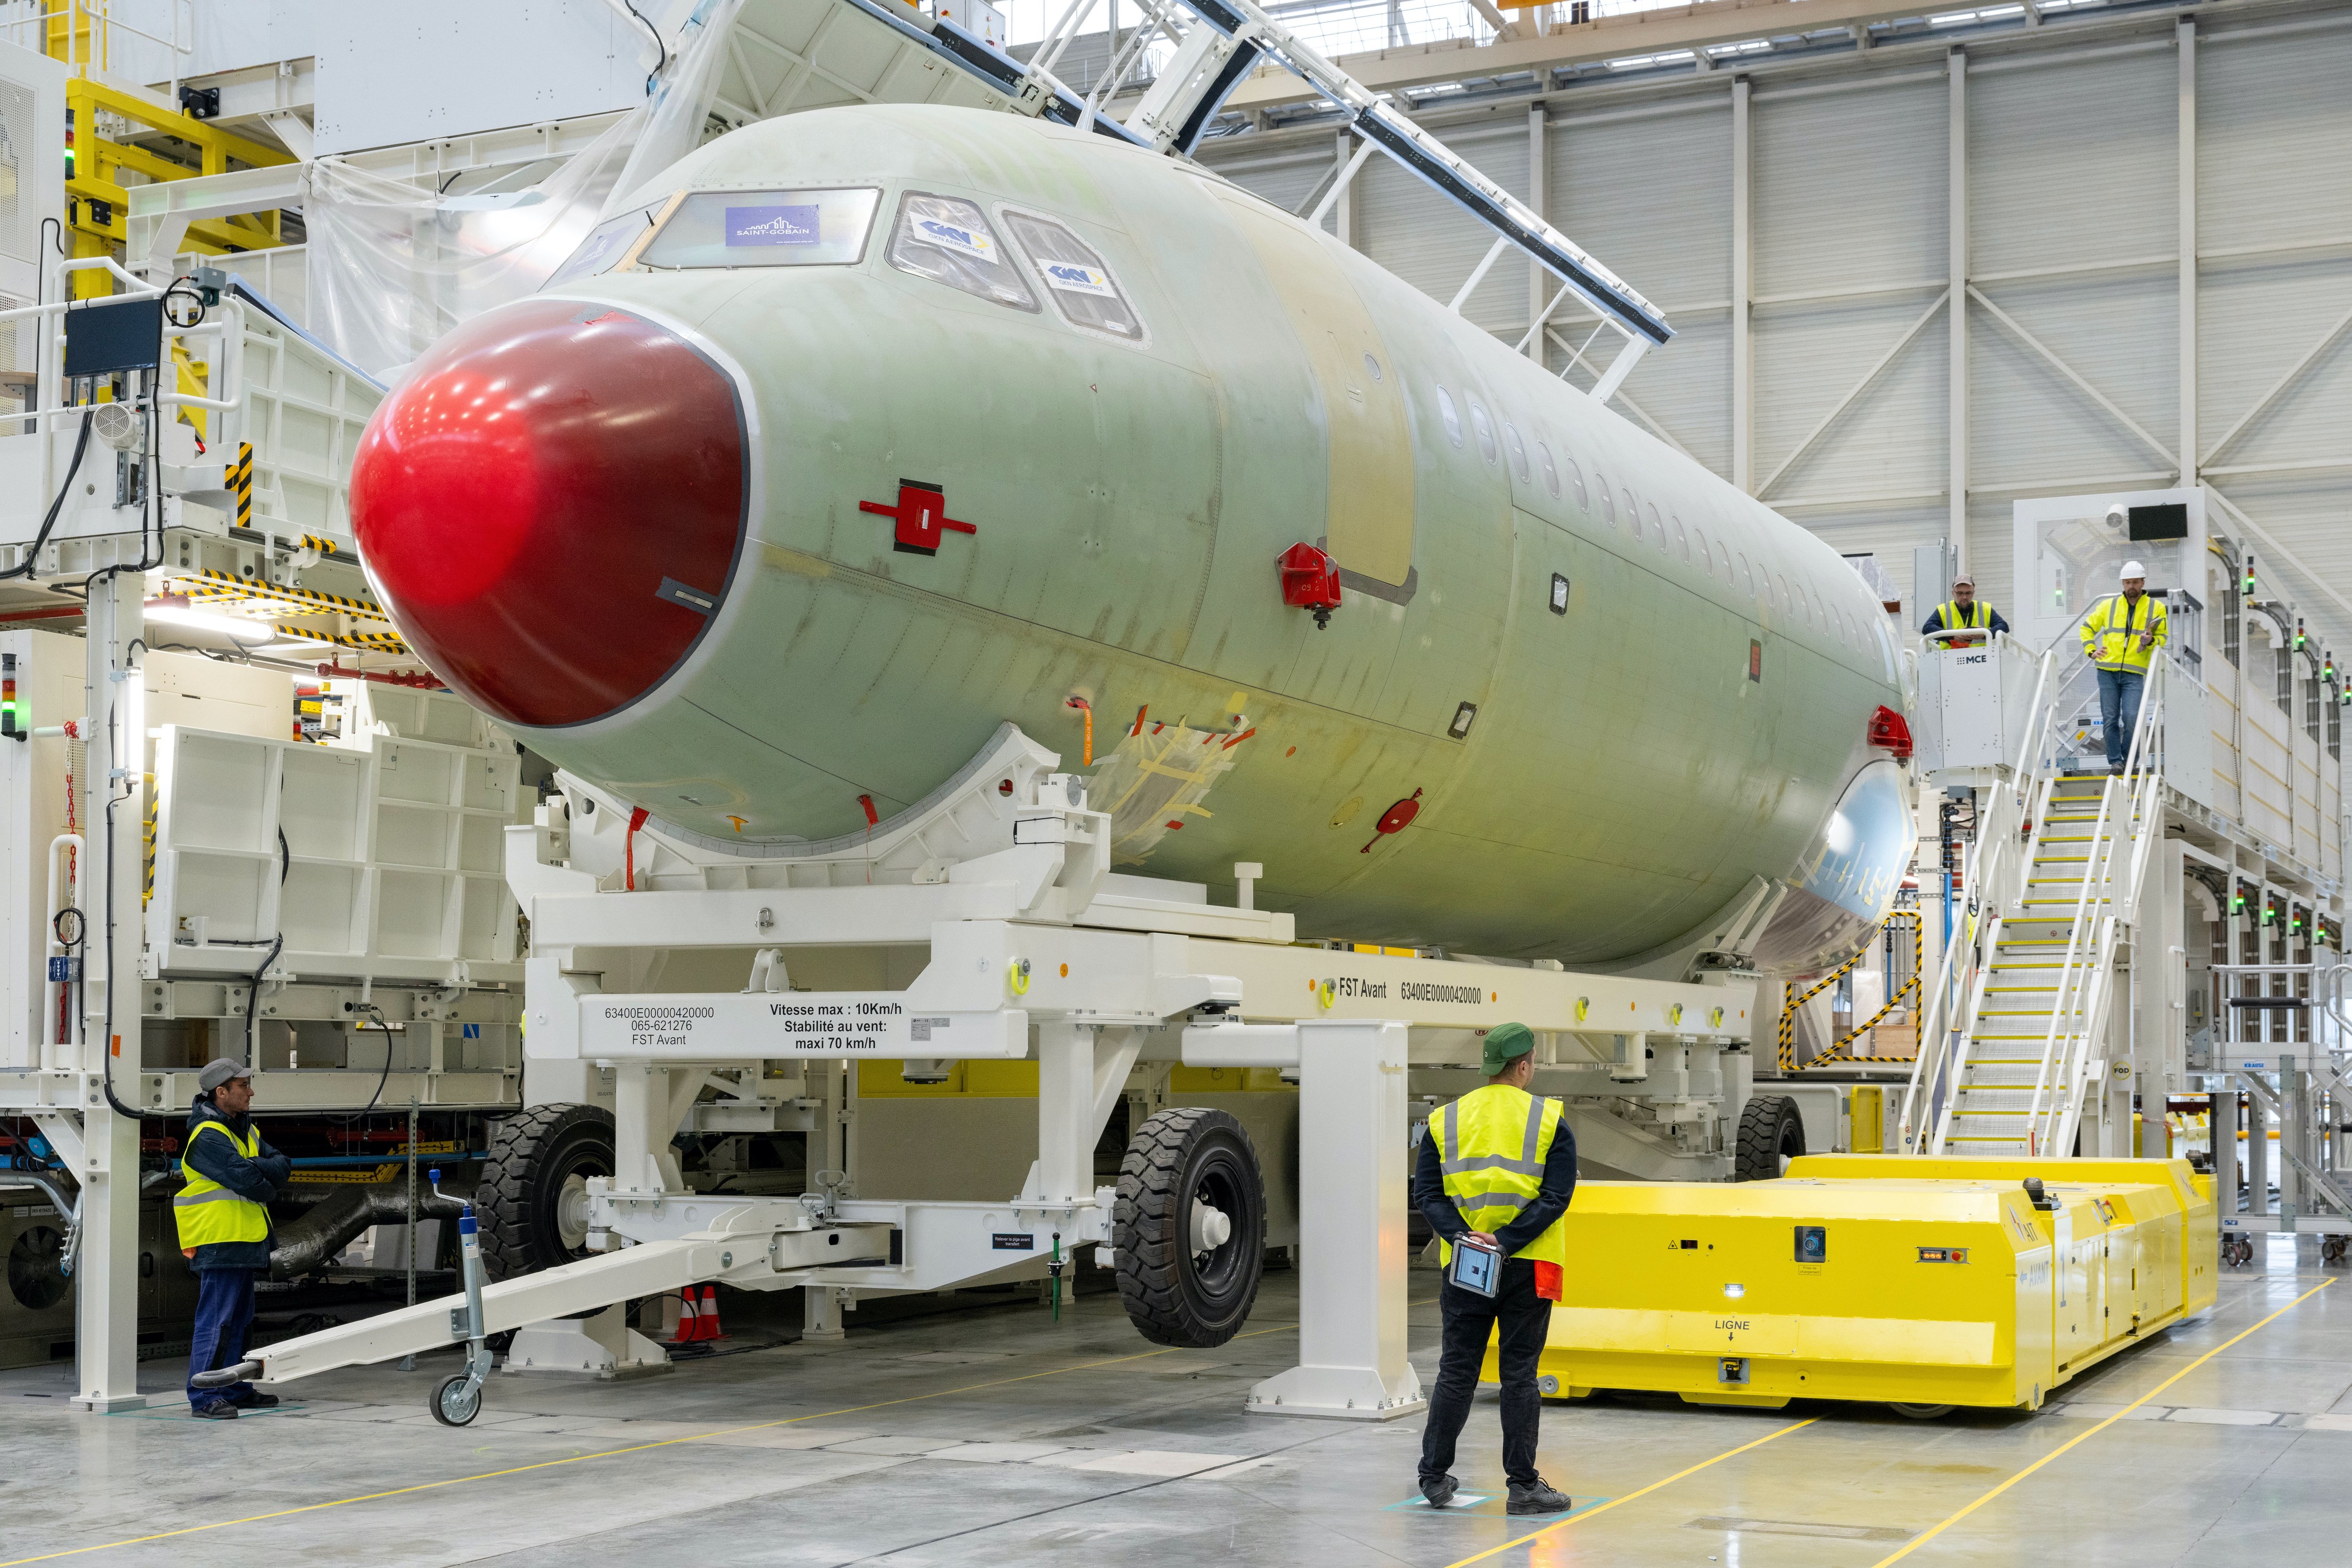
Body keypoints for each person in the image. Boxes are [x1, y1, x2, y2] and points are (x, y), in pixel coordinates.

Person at [1414, 1022, 1578, 1515]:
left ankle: (1433, 1477)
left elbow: (1427, 1195)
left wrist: (1465, 1237)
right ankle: (1523, 1488)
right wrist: (1504, 1241)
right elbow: (1556, 1196)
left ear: (1487, 1066)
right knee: (1519, 1376)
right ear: (1524, 1066)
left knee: (1456, 1371)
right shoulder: (1548, 1120)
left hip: (1465, 1264)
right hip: (1528, 1266)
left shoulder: (1444, 1120)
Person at [175, 1059, 291, 1419]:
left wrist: (258, 1170)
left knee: (240, 1321)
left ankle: (233, 1386)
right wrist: (260, 1171)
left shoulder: (244, 1130)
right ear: (221, 1092)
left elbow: (283, 1165)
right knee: (217, 1321)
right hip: (219, 1240)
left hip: (244, 1240)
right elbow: (253, 1183)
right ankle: (204, 1395)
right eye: (243, 1086)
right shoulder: (208, 1135)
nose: (251, 1091)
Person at [2079, 560, 2169, 775]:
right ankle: (2115, 762)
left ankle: (2130, 760)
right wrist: (2091, 650)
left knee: (2131, 717)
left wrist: (2150, 641)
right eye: (2127, 582)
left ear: (2143, 582)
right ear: (2123, 584)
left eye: (2135, 582)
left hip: (2134, 672)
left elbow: (2163, 637)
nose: (2131, 587)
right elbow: (2087, 628)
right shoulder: (2108, 606)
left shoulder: (2156, 608)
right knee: (2110, 718)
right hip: (2107, 670)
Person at [1919, 574, 2008, 646]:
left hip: (1980, 659)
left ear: (1973, 593)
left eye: (1968, 593)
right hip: (1950, 660)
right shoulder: (1944, 610)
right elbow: (1927, 628)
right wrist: (1952, 636)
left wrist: (1984, 634)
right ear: (1953, 593)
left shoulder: (1984, 608)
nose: (1964, 597)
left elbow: (2004, 626)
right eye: (1960, 593)